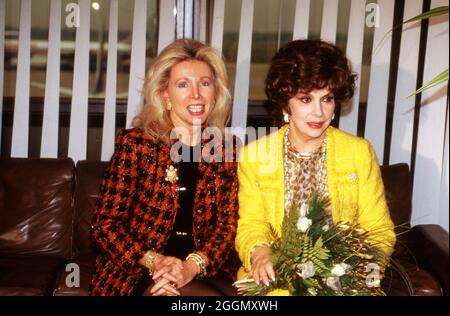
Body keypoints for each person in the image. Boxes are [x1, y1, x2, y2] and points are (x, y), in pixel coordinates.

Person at [235, 39, 396, 287]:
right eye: (306, 99)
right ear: (285, 102)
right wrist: (260, 253)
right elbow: (251, 225)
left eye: (327, 98)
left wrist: (366, 273)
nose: (319, 113)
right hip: (276, 279)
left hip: (343, 279)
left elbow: (378, 230)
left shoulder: (358, 153)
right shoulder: (254, 156)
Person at [90, 39, 239, 296]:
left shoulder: (226, 149)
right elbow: (104, 226)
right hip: (139, 270)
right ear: (164, 93)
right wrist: (156, 262)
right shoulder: (136, 144)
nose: (196, 95)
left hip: (200, 270)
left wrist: (191, 267)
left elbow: (227, 228)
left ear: (215, 92)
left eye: (205, 83)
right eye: (183, 84)